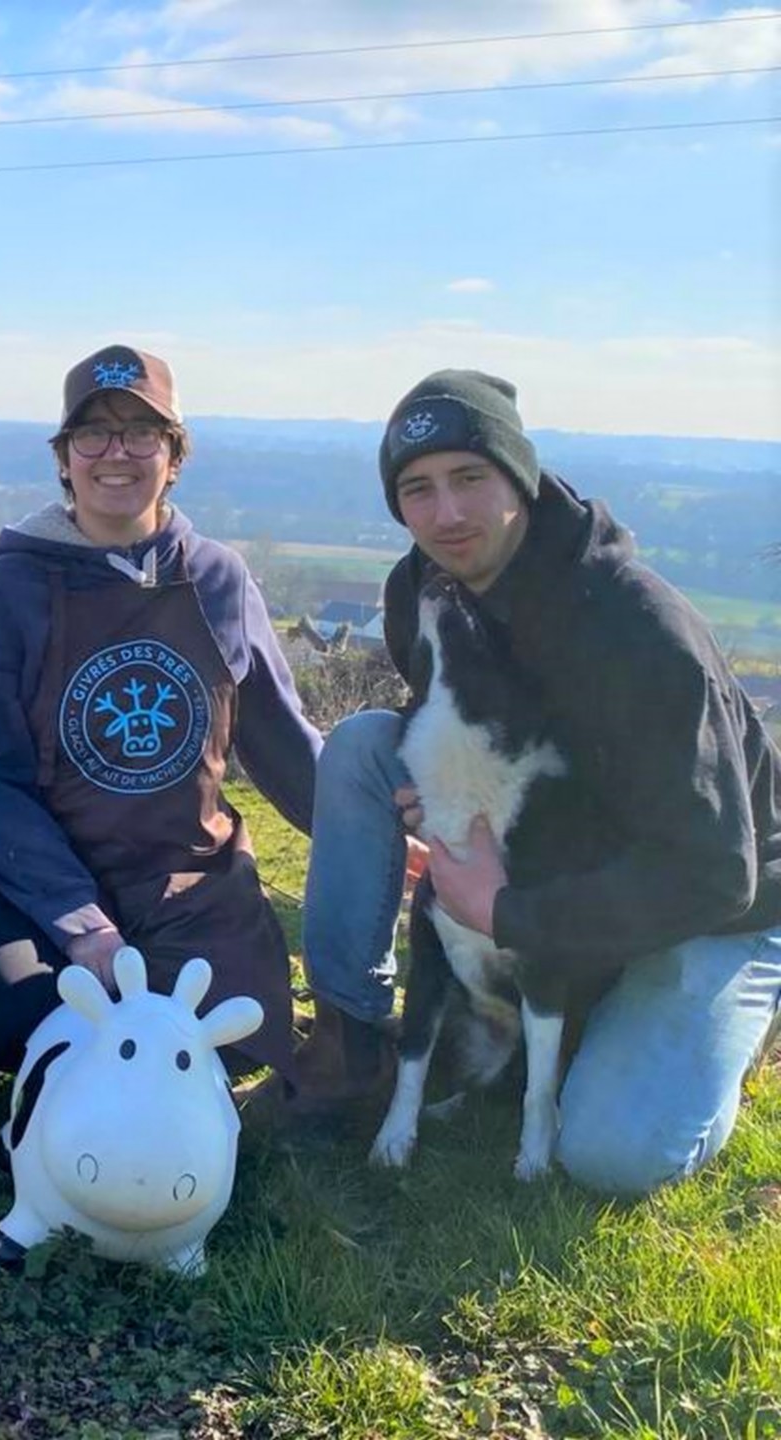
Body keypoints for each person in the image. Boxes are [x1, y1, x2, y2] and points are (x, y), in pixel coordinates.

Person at [297, 368, 781, 1192]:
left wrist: (505, 911)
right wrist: (440, 795)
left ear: (518, 476)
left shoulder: (639, 633)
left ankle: (732, 1014)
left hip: (714, 901)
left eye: (470, 478)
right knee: (361, 747)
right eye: (418, 489)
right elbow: (437, 705)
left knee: (612, 1154)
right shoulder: (420, 585)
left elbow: (714, 870)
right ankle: (350, 1035)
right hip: (549, 835)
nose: (445, 514)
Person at [0, 344, 319, 1090]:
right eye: (93, 433)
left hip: (189, 885)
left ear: (173, 457)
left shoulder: (218, 579)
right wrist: (82, 925)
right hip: (40, 890)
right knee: (3, 1011)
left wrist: (378, 829)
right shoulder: (7, 590)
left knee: (239, 1033)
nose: (117, 452)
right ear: (64, 458)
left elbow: (284, 743)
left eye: (143, 432)